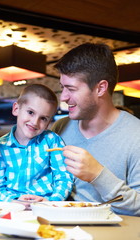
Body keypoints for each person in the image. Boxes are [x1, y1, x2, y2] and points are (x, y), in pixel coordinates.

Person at [51, 43, 140, 216]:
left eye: (71, 89)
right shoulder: (60, 127)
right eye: (63, 88)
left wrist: (98, 175)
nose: (63, 98)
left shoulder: (136, 136)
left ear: (100, 88)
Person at [0, 84, 73, 203]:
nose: (35, 122)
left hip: (47, 205)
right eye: (30, 112)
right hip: (13, 206)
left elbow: (64, 178)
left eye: (43, 118)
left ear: (49, 122)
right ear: (16, 109)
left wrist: (51, 200)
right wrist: (13, 201)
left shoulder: (52, 141)